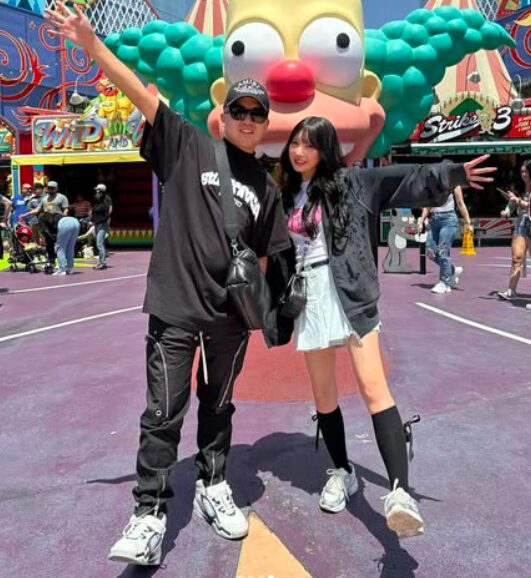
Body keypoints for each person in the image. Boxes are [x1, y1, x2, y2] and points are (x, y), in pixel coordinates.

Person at [45, 1, 291, 566]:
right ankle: (149, 512)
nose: (247, 119)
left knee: (219, 406)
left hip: (230, 319)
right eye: (239, 110)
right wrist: (91, 45)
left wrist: (275, 309)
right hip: (176, 307)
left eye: (257, 113)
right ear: (222, 115)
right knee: (162, 413)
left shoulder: (268, 188)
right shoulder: (187, 144)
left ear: (265, 123)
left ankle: (213, 483)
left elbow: (271, 256)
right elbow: (138, 92)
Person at [279, 117, 495, 538]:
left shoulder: (352, 183)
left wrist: (452, 174)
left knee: (373, 388)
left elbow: (403, 179)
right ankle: (342, 471)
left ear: (326, 149)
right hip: (310, 298)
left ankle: (400, 493)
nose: (299, 152)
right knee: (324, 396)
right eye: (295, 144)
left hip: (349, 291)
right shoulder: (289, 194)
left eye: (310, 144)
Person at [417, 185, 473, 294]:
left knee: (443, 251)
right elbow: (428, 206)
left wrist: (468, 222)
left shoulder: (454, 184)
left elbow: (460, 203)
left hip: (448, 219)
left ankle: (444, 283)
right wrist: (421, 220)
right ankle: (452, 270)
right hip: (434, 219)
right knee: (430, 251)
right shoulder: (432, 184)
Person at [496, 160, 531, 301]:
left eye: (526, 171)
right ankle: (511, 291)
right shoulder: (518, 187)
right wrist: (506, 212)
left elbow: (527, 204)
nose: (524, 174)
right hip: (521, 223)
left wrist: (518, 201)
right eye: (522, 172)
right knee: (517, 257)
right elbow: (512, 203)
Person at [90, 183, 112, 270]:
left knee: (99, 243)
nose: (96, 192)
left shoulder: (106, 199)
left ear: (102, 191)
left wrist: (107, 219)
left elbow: (109, 210)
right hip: (97, 223)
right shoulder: (96, 199)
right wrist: (92, 220)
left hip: (103, 223)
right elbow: (93, 210)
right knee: (99, 243)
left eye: (98, 190)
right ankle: (101, 262)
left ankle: (102, 262)